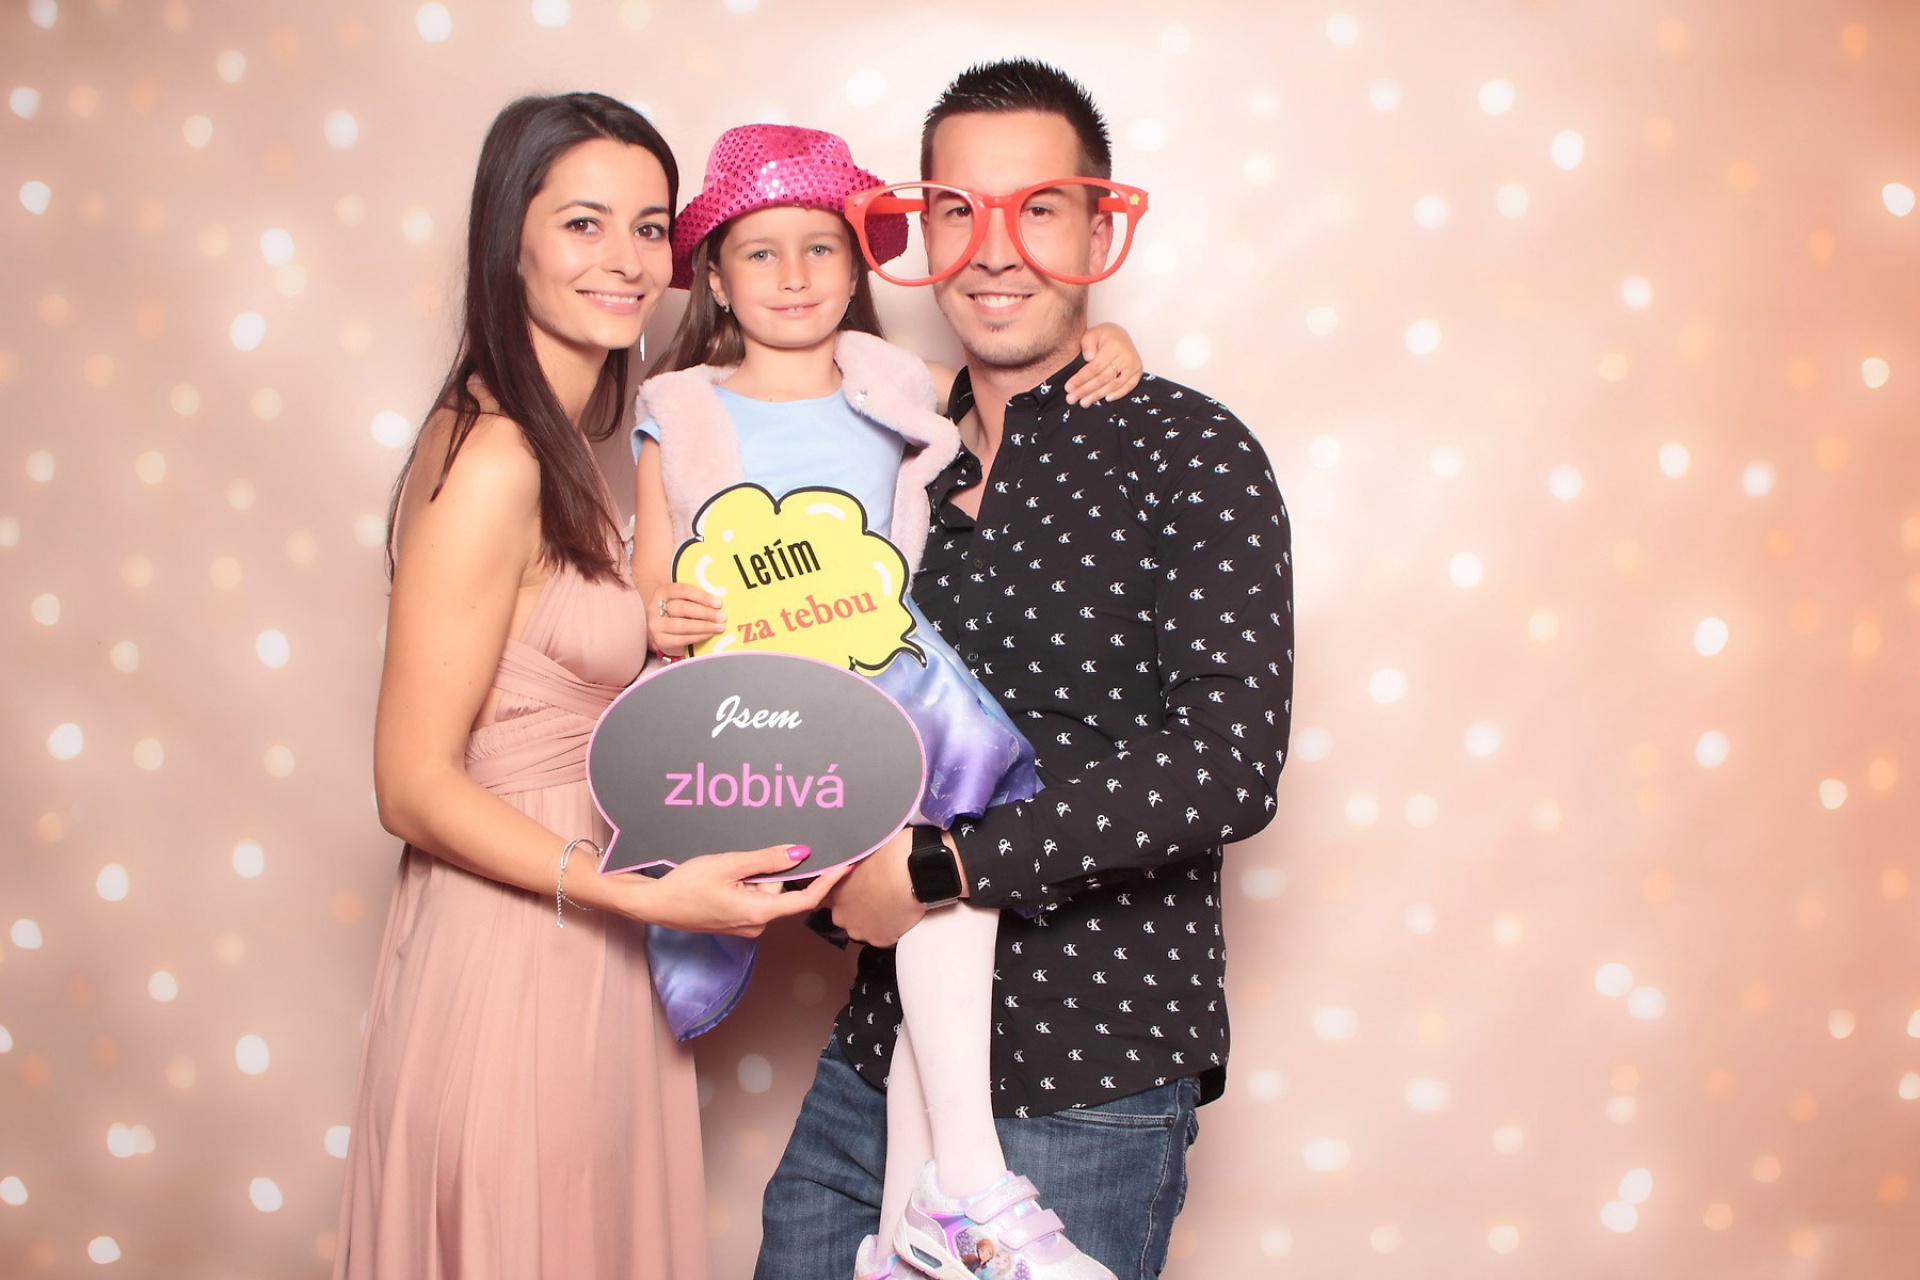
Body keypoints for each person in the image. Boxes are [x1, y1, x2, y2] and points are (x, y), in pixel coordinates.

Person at [757, 60, 1294, 1280]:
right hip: (878, 1061)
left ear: (1098, 232)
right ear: (922, 232)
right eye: (959, 209)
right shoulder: (884, 463)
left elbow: (1228, 763)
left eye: (1038, 208)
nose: (994, 248)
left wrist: (940, 868)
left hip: (1086, 1080)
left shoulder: (1188, 450)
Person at [333, 93, 842, 1280]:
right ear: (507, 236)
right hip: (525, 945)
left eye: (651, 227)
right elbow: (410, 784)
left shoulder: (566, 445)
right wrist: (642, 894)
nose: (626, 259)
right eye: (583, 223)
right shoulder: (497, 454)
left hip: (593, 932)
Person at [632, 124, 1142, 1280]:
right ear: (715, 275)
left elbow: (1012, 386)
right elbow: (649, 580)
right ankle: (957, 1190)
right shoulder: (681, 408)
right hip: (758, 712)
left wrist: (1103, 340)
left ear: (857, 266)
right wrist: (658, 609)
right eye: (761, 253)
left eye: (821, 248)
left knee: (955, 863)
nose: (795, 275)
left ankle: (919, 1215)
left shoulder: (895, 383)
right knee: (944, 867)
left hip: (885, 690)